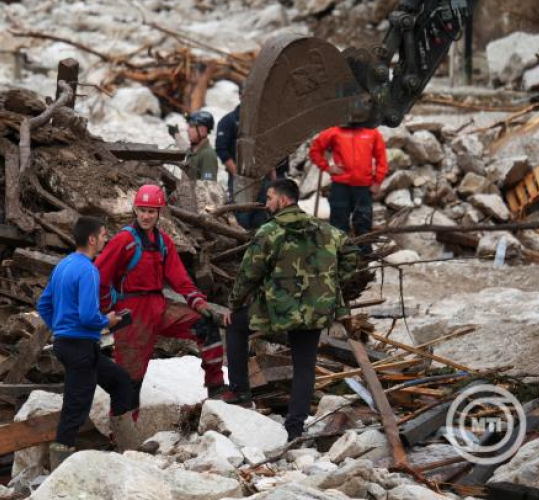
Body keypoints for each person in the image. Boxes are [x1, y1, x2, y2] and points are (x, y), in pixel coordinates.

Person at [221, 178, 359, 440]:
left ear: (283, 200)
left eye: (270, 198)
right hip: (316, 310)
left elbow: (248, 273)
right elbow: (352, 251)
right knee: (304, 367)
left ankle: (240, 393)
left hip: (277, 311)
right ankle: (294, 428)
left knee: (235, 323)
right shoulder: (326, 230)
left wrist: (234, 304)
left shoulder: (269, 233)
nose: (267, 203)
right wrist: (332, 281)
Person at [95, 184, 227, 414]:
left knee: (205, 324)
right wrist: (107, 309)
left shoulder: (163, 242)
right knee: (129, 380)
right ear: (135, 210)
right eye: (142, 210)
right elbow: (98, 276)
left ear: (159, 213)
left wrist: (198, 302)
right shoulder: (124, 240)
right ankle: (122, 435)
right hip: (131, 312)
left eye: (151, 211)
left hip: (159, 306)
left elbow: (179, 278)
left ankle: (216, 387)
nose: (146, 216)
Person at [37, 216, 136, 470]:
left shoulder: (63, 265)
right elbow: (89, 316)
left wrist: (61, 327)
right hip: (80, 347)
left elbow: (43, 305)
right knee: (75, 408)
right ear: (92, 239)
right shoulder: (89, 270)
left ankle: (126, 448)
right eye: (103, 235)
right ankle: (59, 471)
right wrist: (109, 321)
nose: (106, 239)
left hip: (72, 345)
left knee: (120, 381)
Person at [308, 125, 389, 254]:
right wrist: (327, 167)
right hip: (341, 187)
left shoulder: (372, 132)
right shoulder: (335, 131)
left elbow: (382, 159)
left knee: (363, 223)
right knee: (338, 224)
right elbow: (314, 150)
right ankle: (339, 257)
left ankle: (365, 258)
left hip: (363, 188)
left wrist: (378, 181)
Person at [170, 110, 219, 182]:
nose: (187, 130)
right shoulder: (194, 151)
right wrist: (176, 135)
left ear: (203, 130)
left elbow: (207, 187)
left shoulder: (207, 155)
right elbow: (185, 148)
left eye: (191, 126)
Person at [215, 104, 240, 201]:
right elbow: (221, 149)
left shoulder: (259, 117)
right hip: (238, 176)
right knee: (241, 211)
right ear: (241, 96)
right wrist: (236, 174)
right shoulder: (229, 121)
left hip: (263, 179)